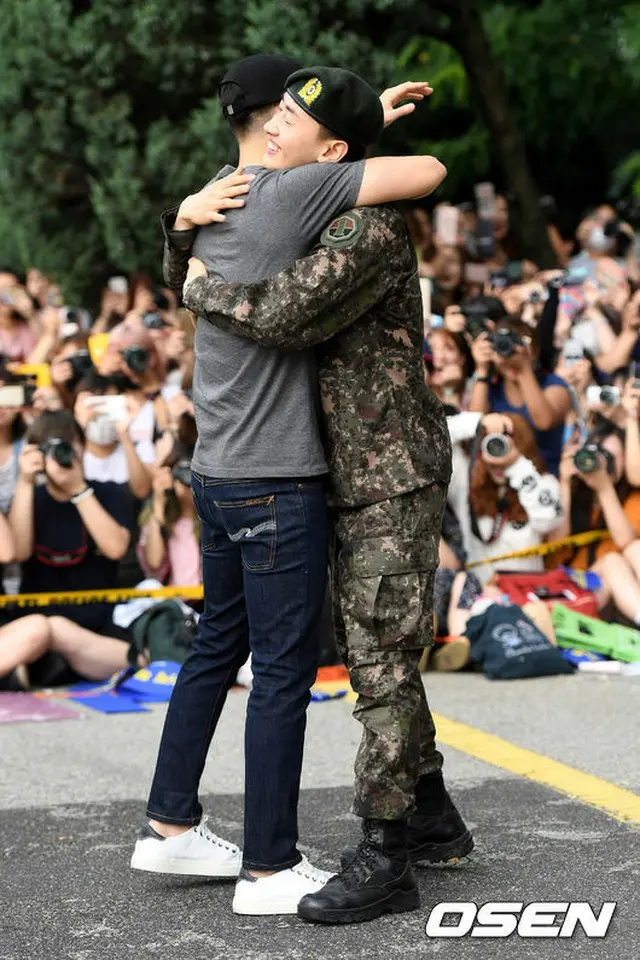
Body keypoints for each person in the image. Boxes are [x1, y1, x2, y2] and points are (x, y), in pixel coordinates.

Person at [170, 68, 470, 925]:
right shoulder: (319, 198)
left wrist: (198, 284)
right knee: (377, 648)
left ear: (331, 150)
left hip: (387, 474)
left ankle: (387, 853)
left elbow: (279, 314)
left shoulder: (363, 228)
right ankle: (434, 816)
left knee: (376, 660)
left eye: (293, 119)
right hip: (343, 469)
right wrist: (183, 223)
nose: (272, 129)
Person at [1, 410, 135, 688]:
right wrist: (25, 482)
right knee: (44, 629)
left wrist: (78, 489)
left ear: (83, 447)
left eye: (67, 445)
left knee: (128, 653)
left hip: (98, 620)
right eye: (51, 447)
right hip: (39, 617)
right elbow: (19, 552)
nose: (60, 455)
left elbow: (116, 549)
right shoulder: (28, 498)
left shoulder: (109, 492)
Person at [467, 317, 572, 476]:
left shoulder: (555, 385)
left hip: (544, 481)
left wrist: (523, 368)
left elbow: (543, 422)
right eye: (502, 344)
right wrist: (482, 369)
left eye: (520, 343)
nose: (509, 351)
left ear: (535, 351)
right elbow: (473, 428)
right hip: (501, 480)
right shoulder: (491, 388)